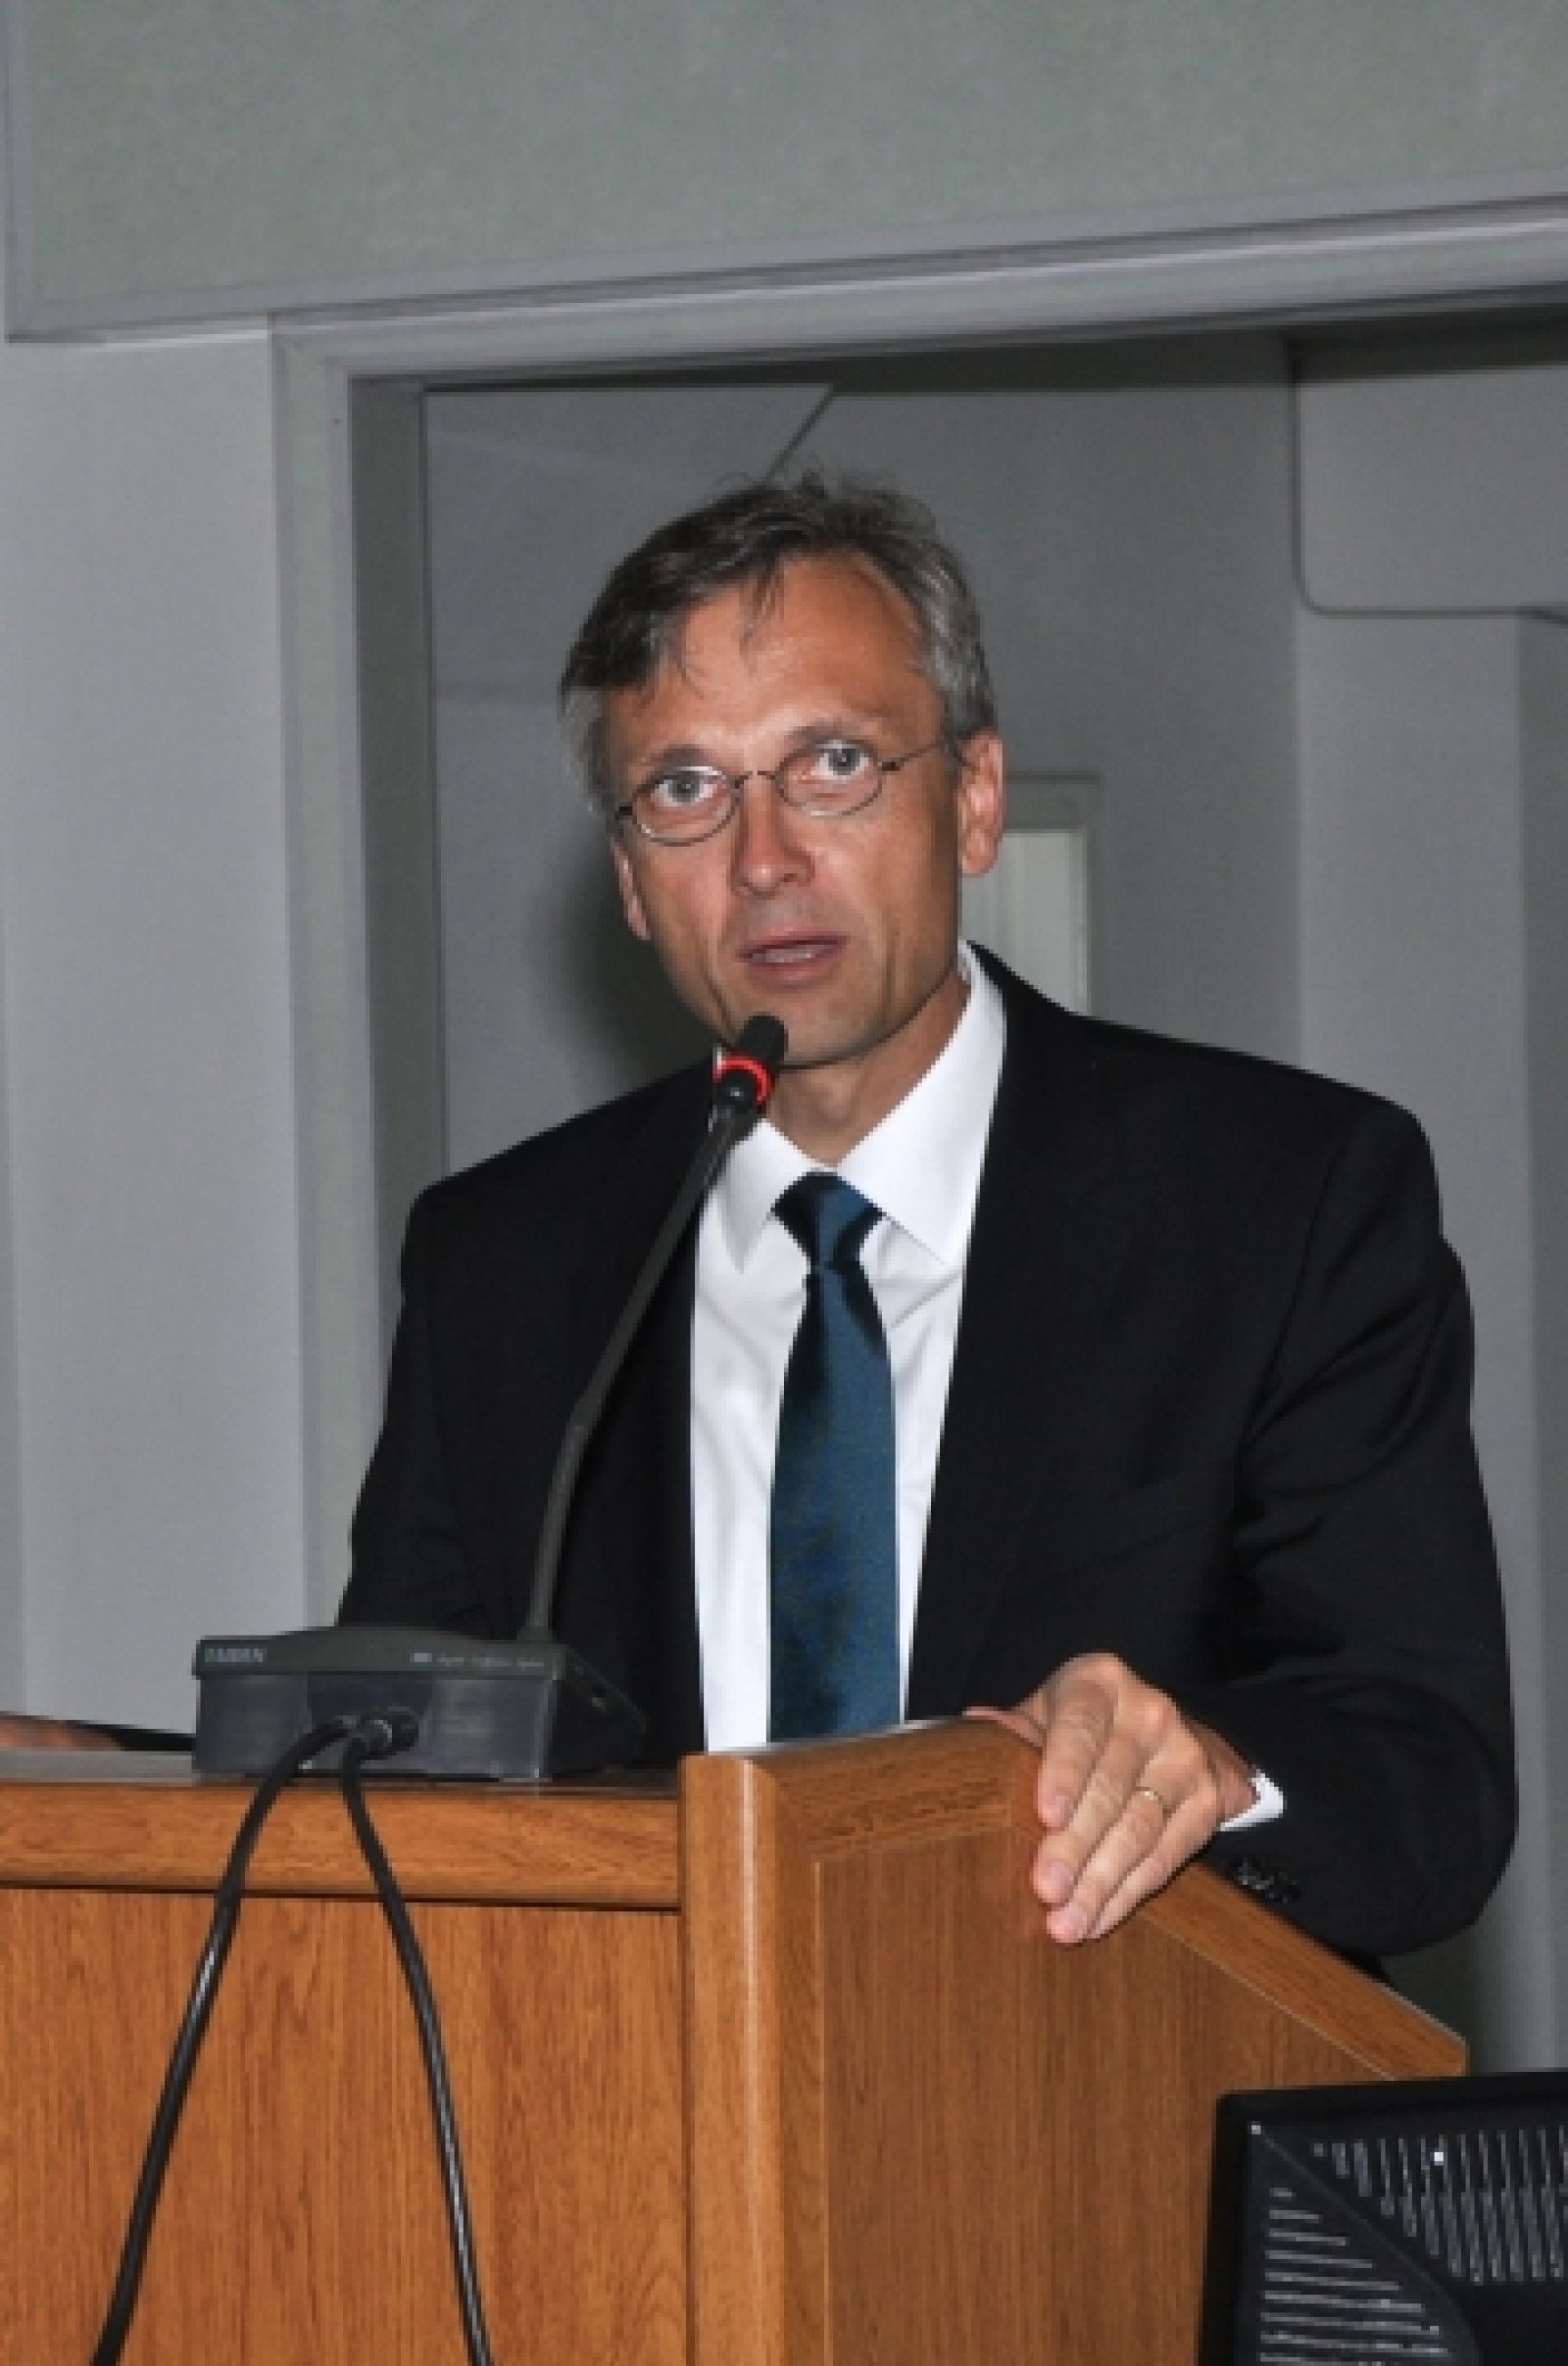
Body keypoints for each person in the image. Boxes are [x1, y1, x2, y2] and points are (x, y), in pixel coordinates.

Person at [341, 471, 1514, 1961]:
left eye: (832, 763)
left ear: (974, 798)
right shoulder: (503, 1264)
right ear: (630, 881)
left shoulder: (1281, 1201)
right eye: (687, 791)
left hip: (1105, 2084)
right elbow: (385, 1766)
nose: (764, 858)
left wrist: (1213, 1767)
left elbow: (1427, 1777)